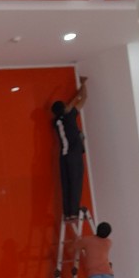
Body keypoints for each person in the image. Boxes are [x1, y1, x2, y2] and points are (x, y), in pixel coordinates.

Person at [51, 76, 88, 219]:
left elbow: (72, 104)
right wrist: (83, 84)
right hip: (74, 154)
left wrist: (73, 100)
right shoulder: (69, 116)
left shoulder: (56, 121)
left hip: (64, 155)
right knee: (75, 181)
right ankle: (73, 213)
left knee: (66, 184)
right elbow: (83, 98)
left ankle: (67, 212)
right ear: (65, 108)